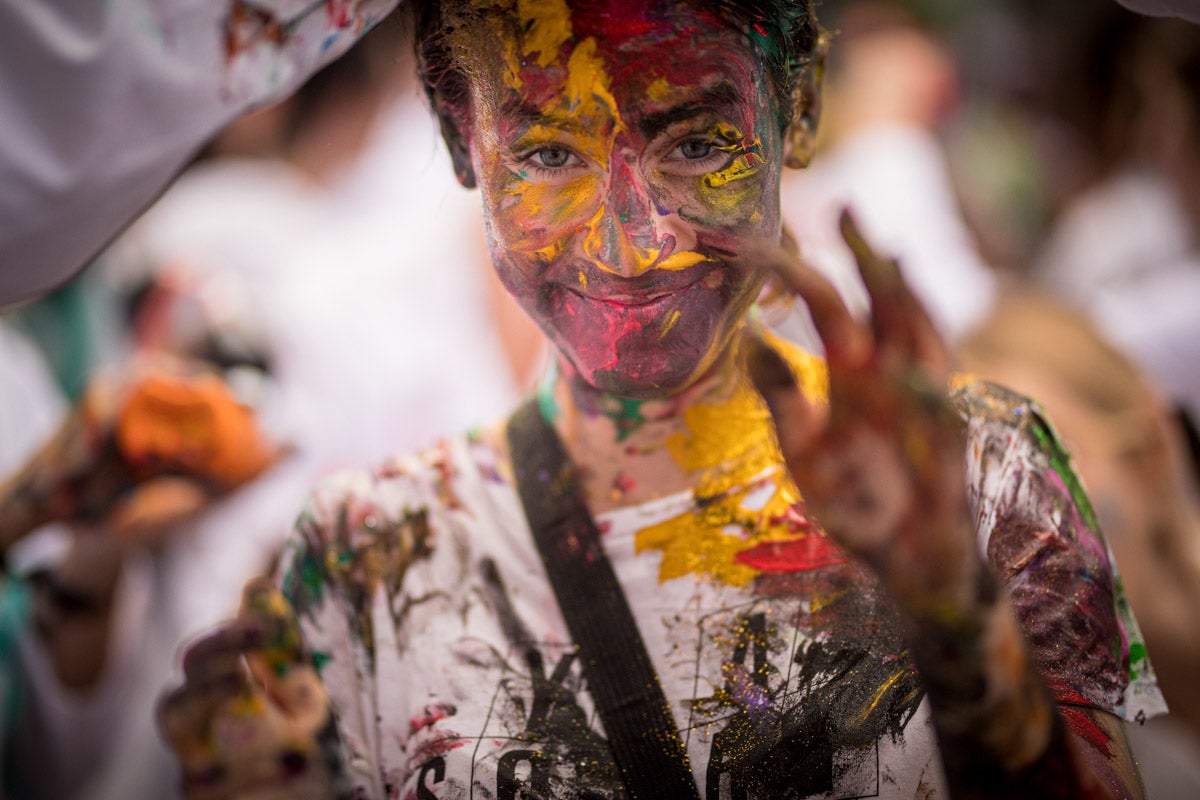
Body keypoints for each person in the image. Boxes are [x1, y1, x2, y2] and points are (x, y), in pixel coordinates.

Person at [157, 2, 1162, 798]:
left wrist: (956, 614)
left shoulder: (979, 476)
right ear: (464, 142)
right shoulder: (371, 562)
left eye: (696, 143)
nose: (630, 244)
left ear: (796, 112)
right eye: (549, 154)